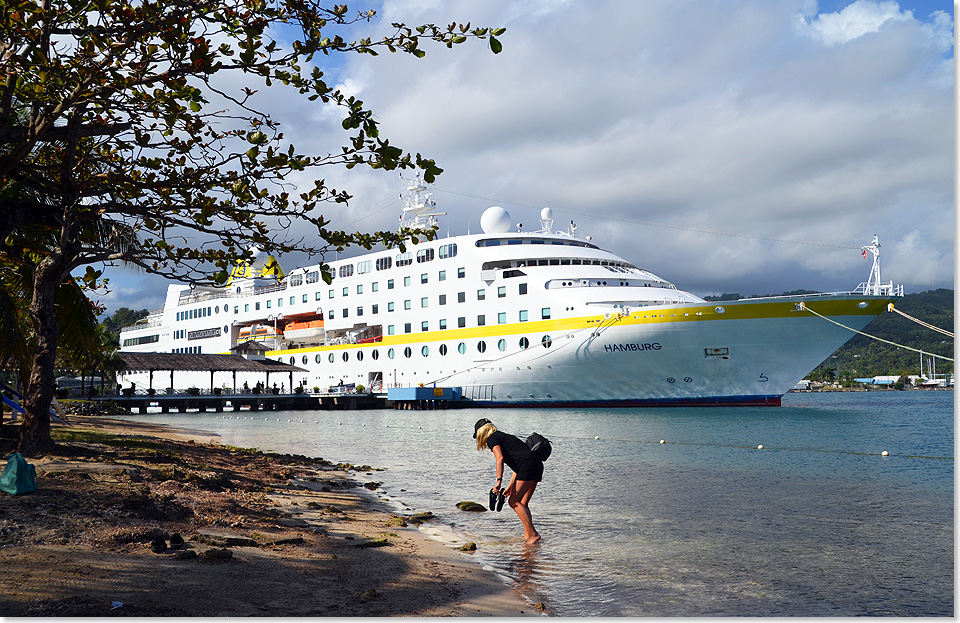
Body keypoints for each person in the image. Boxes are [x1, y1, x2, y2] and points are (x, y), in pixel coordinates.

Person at [473, 418, 543, 545]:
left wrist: (498, 482)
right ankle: (528, 535)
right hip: (536, 466)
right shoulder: (504, 437)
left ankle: (533, 534)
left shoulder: (492, 438)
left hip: (528, 467)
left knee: (513, 502)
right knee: (522, 503)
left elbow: (499, 459)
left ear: (481, 432)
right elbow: (517, 466)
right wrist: (510, 486)